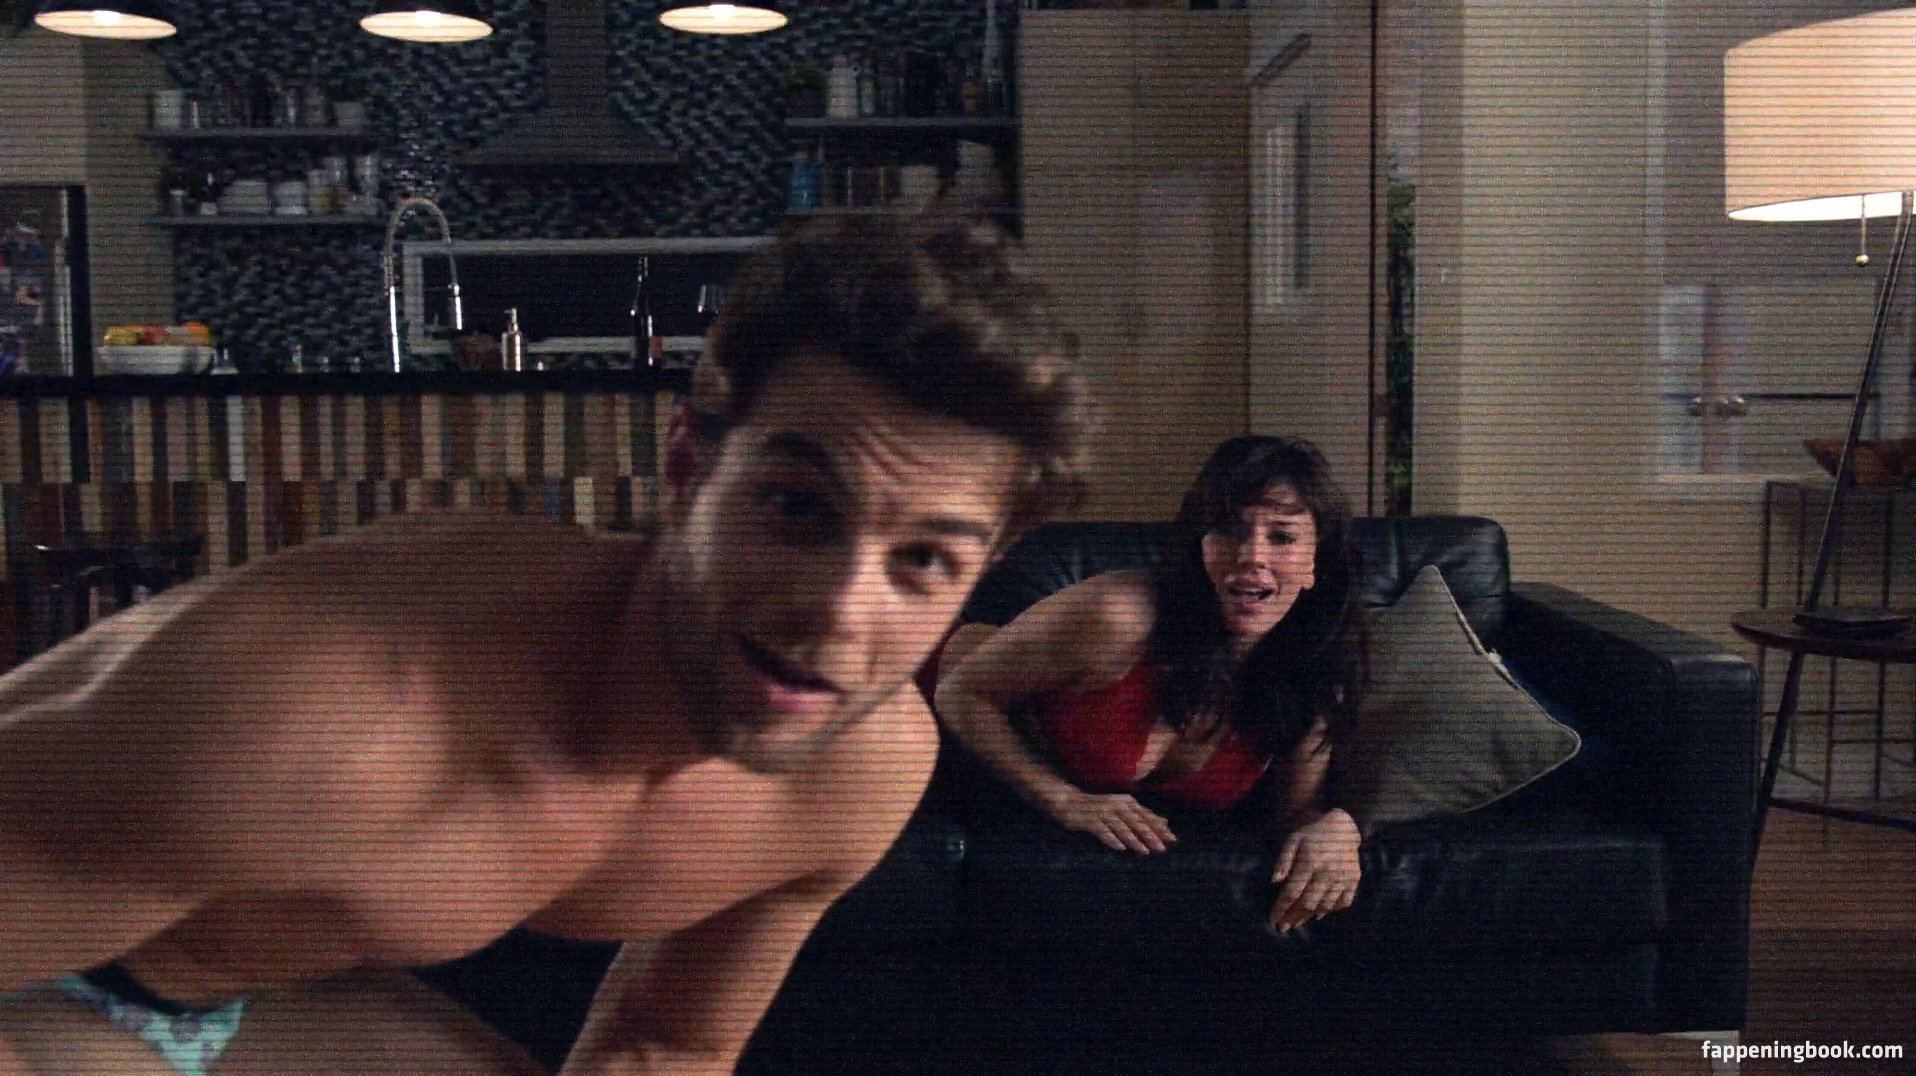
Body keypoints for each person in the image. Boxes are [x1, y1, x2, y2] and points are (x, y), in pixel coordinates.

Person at [0, 213, 1090, 1075]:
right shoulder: (319, 711)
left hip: (277, 997)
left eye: (923, 559)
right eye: (798, 508)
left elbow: (667, 1045)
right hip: (50, 986)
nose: (841, 611)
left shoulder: (859, 767)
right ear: (690, 469)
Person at [935, 435, 1367, 934]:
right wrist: (1066, 801)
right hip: (928, 712)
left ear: (1316, 563)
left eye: (1283, 538)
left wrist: (1340, 828)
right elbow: (958, 693)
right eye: (1228, 530)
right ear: (1200, 546)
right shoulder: (1122, 615)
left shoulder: (1313, 679)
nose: (1252, 555)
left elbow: (1292, 813)